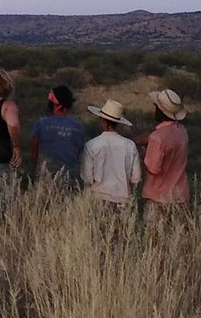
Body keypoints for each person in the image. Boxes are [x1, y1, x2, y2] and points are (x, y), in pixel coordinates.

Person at [142, 88, 191, 231]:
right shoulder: (182, 131)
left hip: (159, 197)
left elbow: (153, 167)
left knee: (155, 241)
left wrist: (143, 153)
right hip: (180, 195)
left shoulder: (157, 137)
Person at [81, 99, 142, 211]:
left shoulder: (91, 145)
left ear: (103, 121)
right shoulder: (130, 145)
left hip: (98, 198)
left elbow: (87, 178)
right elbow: (136, 178)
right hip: (122, 200)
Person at [23, 84, 87, 185]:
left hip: (45, 178)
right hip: (70, 178)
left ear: (53, 104)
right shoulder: (78, 127)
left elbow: (34, 155)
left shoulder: (41, 124)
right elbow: (80, 153)